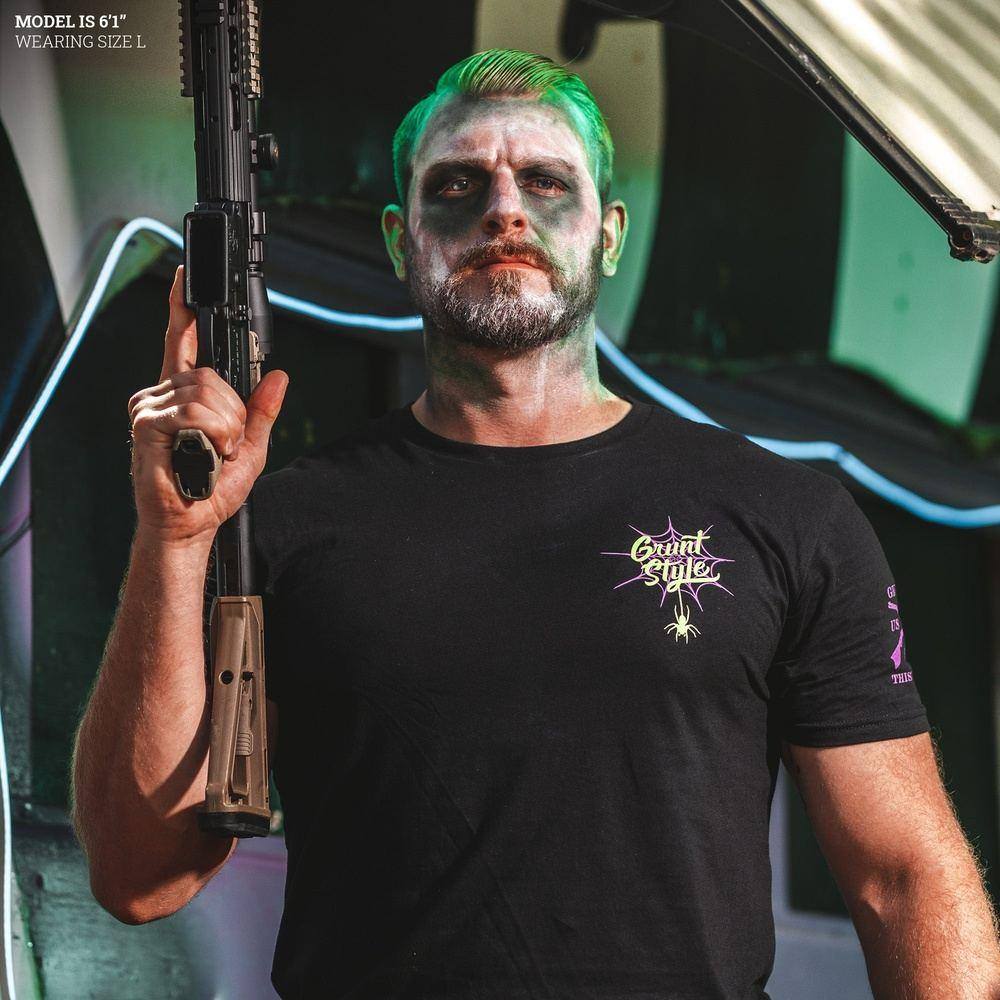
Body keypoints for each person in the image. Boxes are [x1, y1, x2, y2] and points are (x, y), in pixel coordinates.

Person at [72, 48, 999, 999]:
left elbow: (906, 878)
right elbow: (140, 877)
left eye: (547, 181)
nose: (503, 211)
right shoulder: (285, 522)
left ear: (609, 234)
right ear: (400, 239)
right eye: (457, 185)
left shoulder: (784, 516)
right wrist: (172, 539)